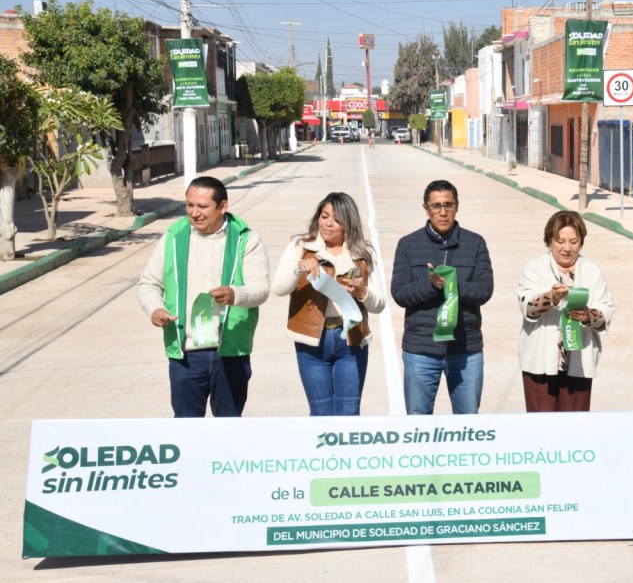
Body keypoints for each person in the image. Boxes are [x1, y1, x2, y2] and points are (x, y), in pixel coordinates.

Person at [137, 176, 269, 417]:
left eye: (202, 206)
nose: (194, 213)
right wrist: (155, 308)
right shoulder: (174, 237)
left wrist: (235, 295)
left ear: (223, 206)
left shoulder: (246, 238)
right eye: (189, 205)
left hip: (230, 352)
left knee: (228, 426)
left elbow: (260, 289)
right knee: (187, 428)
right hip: (186, 354)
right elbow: (149, 283)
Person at [271, 192, 386, 416]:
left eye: (337, 219)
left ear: (348, 223)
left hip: (351, 341)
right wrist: (299, 267)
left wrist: (362, 292)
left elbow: (379, 304)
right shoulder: (300, 246)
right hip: (312, 342)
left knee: (349, 412)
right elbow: (279, 288)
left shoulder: (362, 253)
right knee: (320, 413)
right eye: (324, 216)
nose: (328, 223)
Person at [391, 180, 494, 415]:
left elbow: (485, 290)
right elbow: (399, 293)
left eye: (448, 204)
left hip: (465, 349)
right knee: (418, 421)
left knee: (467, 421)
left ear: (457, 206)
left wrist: (452, 284)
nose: (443, 212)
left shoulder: (475, 243)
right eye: (436, 206)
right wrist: (430, 285)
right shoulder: (408, 244)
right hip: (421, 349)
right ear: (426, 208)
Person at [516, 211, 615, 412]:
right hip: (540, 360)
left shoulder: (592, 270)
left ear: (581, 242)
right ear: (549, 241)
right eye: (560, 241)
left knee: (575, 423)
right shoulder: (534, 267)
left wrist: (589, 315)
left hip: (579, 360)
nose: (567, 248)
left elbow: (606, 308)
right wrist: (550, 298)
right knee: (541, 421)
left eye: (574, 242)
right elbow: (527, 305)